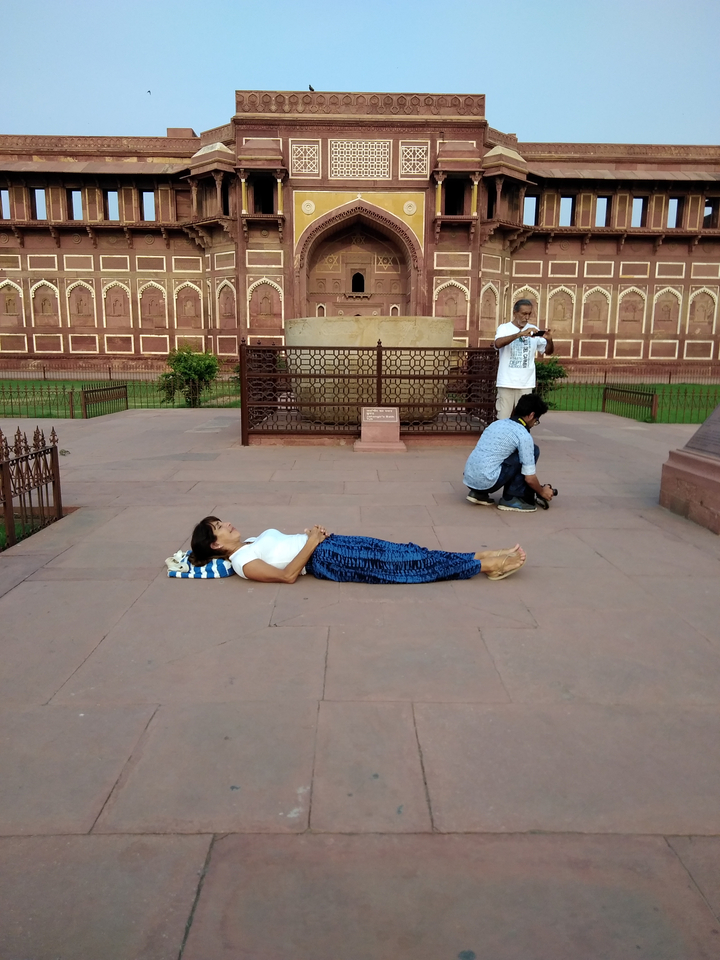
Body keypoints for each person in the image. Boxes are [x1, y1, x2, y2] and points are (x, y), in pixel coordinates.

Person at [188, 518, 527, 583]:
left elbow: (287, 544)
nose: (228, 523)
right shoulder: (242, 562)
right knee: (406, 566)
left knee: (405, 550)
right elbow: (287, 575)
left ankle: (474, 556)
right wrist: (312, 542)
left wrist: (310, 532)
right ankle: (484, 567)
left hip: (329, 544)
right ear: (216, 545)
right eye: (220, 527)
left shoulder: (248, 543)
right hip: (328, 559)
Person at [463, 392, 555, 513]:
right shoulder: (522, 434)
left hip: (470, 478)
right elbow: (529, 478)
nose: (534, 424)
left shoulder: (497, 424)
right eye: (536, 420)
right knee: (533, 450)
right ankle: (512, 498)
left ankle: (478, 493)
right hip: (488, 480)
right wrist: (542, 491)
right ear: (531, 415)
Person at [494, 298, 554, 420]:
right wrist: (519, 334)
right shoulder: (504, 328)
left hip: (526, 383)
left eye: (529, 314)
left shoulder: (534, 330)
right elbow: (497, 344)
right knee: (503, 418)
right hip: (506, 381)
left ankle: (521, 439)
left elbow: (548, 351)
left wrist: (549, 340)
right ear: (515, 313)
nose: (526, 317)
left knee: (524, 419)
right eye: (523, 314)